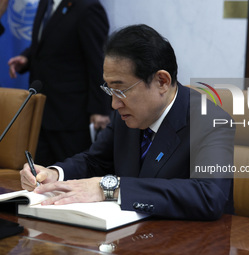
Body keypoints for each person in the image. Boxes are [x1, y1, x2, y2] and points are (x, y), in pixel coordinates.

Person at [20, 24, 235, 220]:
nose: (114, 104)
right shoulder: (128, 113)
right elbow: (96, 161)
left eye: (121, 90)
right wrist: (54, 174)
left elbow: (209, 196)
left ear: (162, 81)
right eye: (109, 89)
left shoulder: (211, 122)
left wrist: (111, 188)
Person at [8, 0, 111, 166]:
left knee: (70, 176)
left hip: (71, 116)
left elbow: (98, 61)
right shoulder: (45, 3)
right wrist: (27, 58)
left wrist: (100, 108)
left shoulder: (88, 7)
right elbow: (46, 41)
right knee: (41, 177)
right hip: (41, 111)